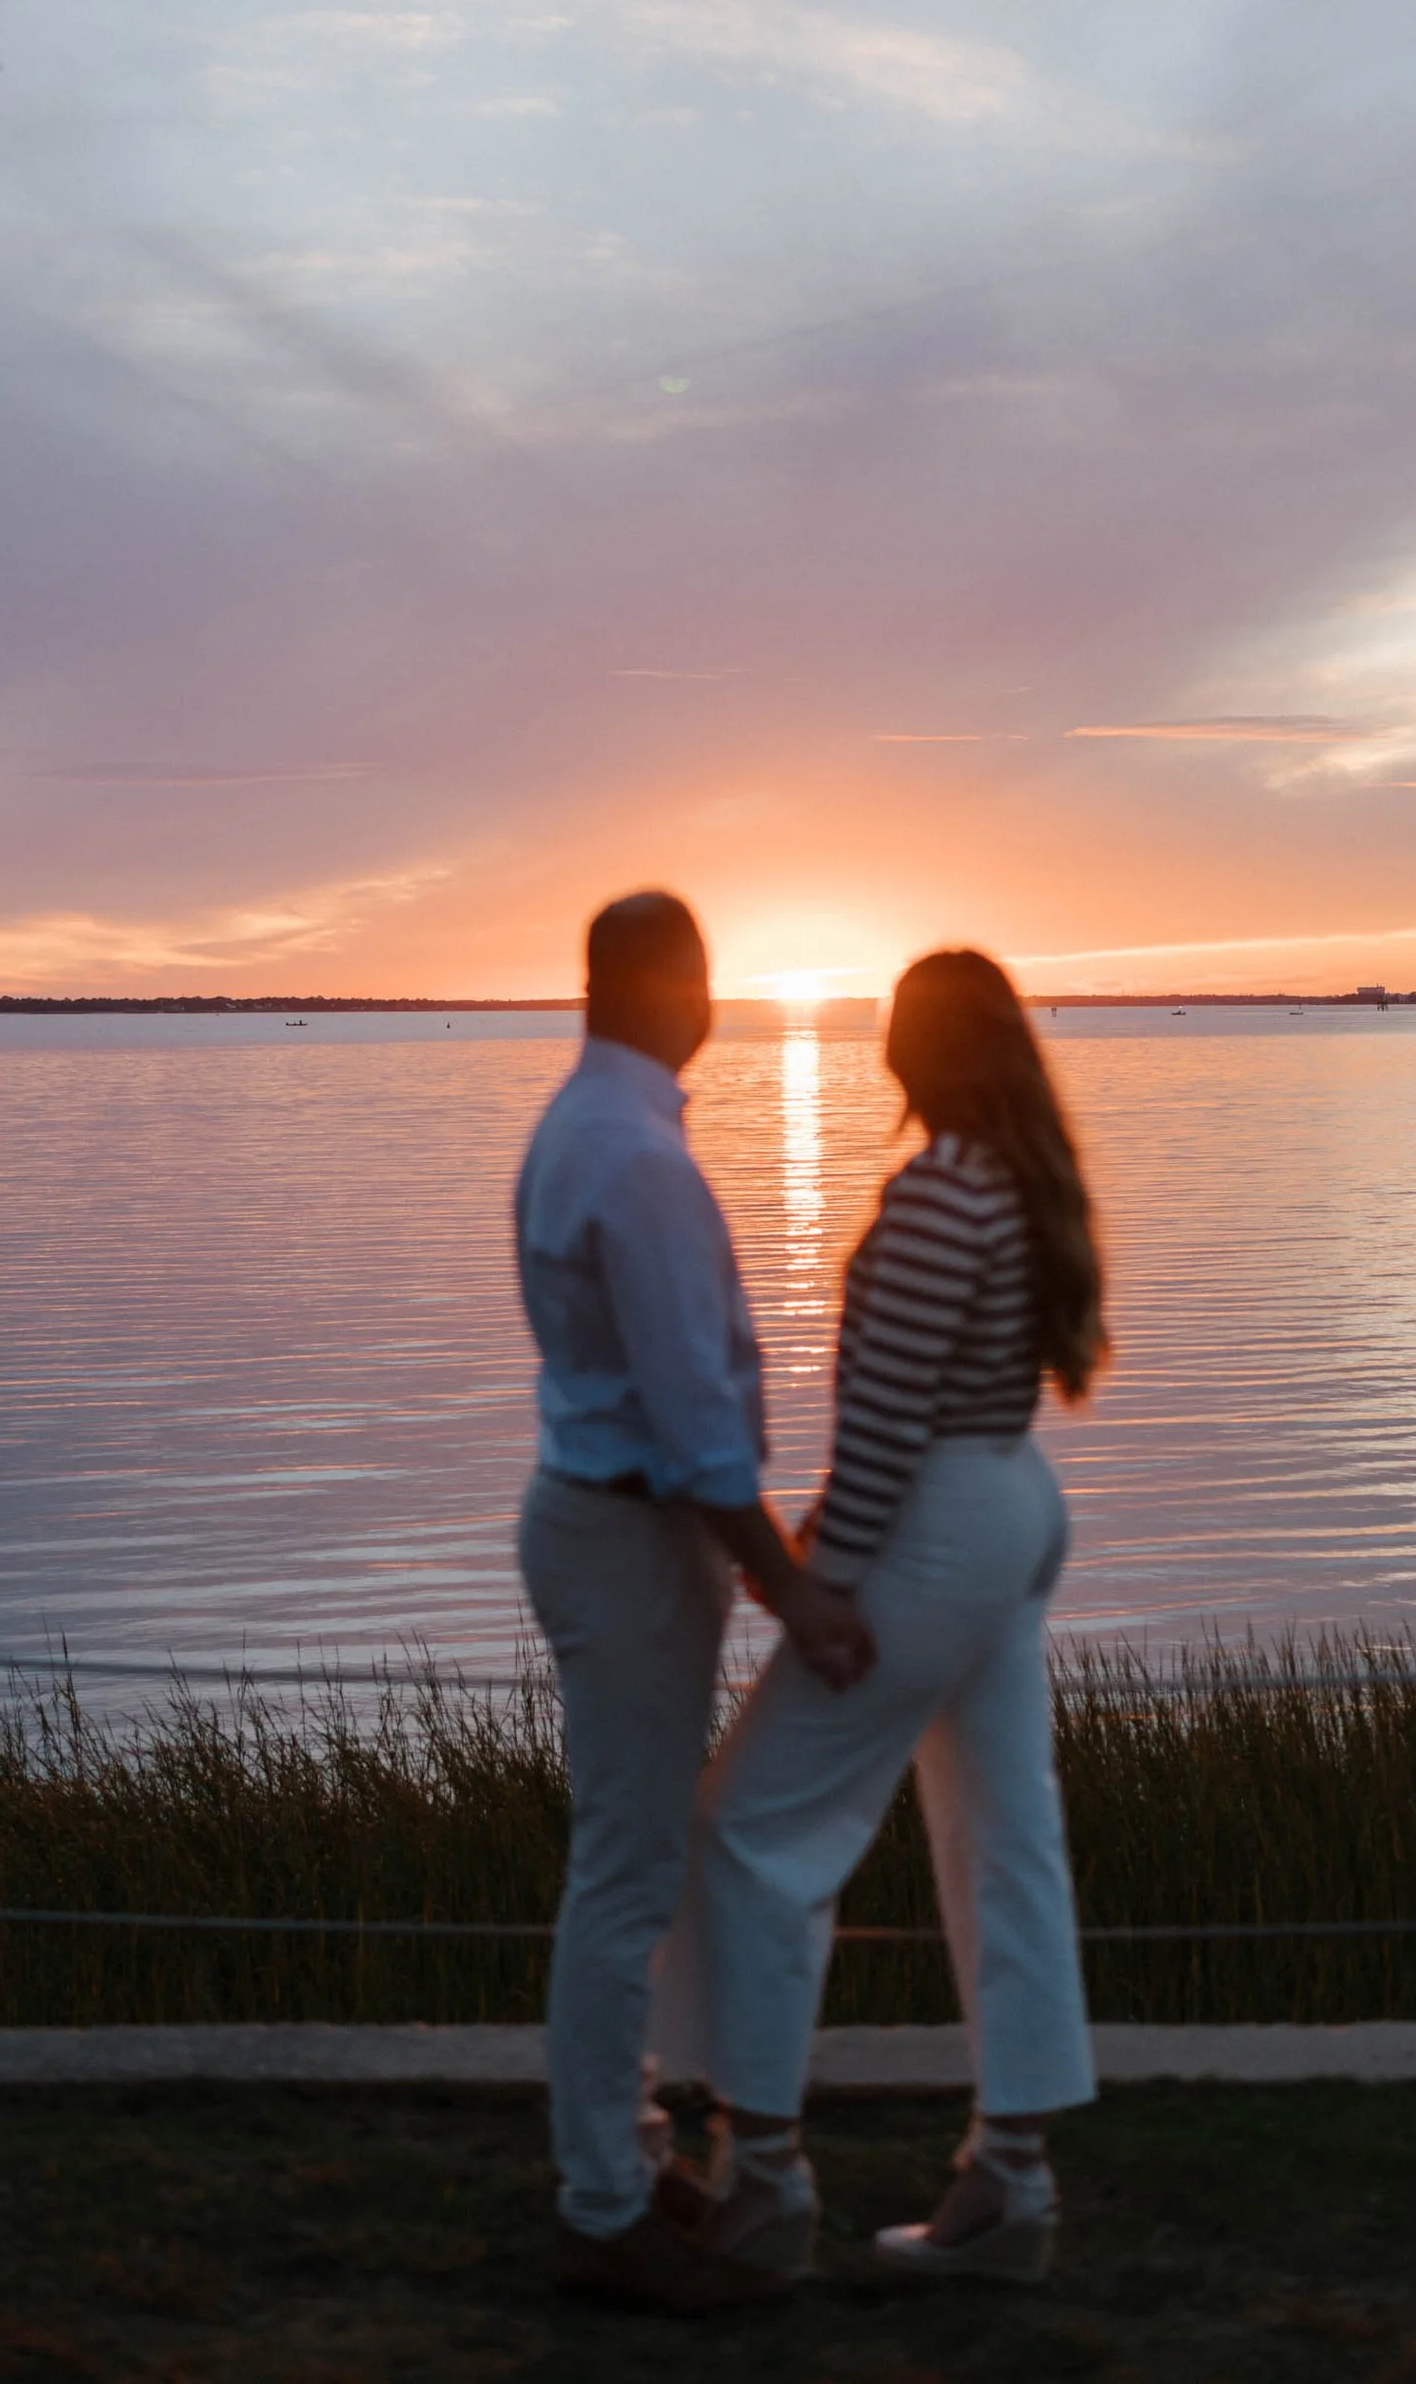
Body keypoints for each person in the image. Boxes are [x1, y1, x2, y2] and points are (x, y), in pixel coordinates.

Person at [655, 947, 1106, 2285]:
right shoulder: (1022, 1187)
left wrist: (821, 1578)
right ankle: (1011, 2181)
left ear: (906, 1050)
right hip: (1013, 1501)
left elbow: (889, 1426)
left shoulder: (937, 1197)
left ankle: (765, 2171)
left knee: (749, 1829)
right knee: (1005, 1831)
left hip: (938, 1530)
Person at [514, 889, 876, 2315]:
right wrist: (789, 1585)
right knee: (623, 1878)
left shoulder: (580, 1123)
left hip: (599, 1521)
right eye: (706, 976)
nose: (714, 1000)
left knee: (631, 1863)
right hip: (628, 1538)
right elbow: (690, 1423)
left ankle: (626, 2156)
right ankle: (604, 2207)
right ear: (676, 988)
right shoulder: (635, 1154)